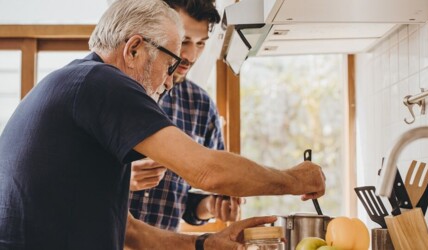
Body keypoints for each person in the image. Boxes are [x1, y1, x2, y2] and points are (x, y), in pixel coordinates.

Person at [0, 0, 325, 249]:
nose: (170, 82)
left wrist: (205, 243)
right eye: (171, 64)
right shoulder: (103, 83)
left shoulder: (77, 81)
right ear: (134, 49)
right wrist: (295, 178)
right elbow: (206, 171)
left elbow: (130, 230)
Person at [128, 0, 243, 232]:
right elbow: (68, 180)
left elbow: (188, 203)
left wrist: (212, 205)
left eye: (201, 43)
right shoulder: (118, 92)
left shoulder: (201, 106)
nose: (191, 55)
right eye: (184, 41)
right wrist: (121, 181)